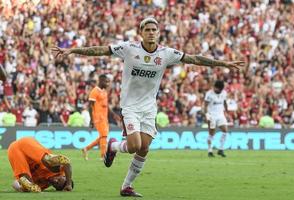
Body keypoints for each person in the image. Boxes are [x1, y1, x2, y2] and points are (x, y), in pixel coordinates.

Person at [52, 17, 244, 197]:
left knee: (144, 148)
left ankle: (126, 186)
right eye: (148, 30)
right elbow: (100, 50)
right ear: (141, 32)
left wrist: (223, 63)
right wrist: (73, 51)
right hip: (129, 107)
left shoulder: (166, 53)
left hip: (149, 109)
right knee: (134, 145)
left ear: (158, 32)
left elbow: (194, 59)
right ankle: (113, 146)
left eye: (154, 30)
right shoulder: (128, 48)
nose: (151, 32)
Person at [7, 137, 73, 192]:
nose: (55, 181)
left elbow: (14, 183)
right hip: (27, 144)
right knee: (50, 164)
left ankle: (26, 185)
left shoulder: (42, 185)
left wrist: (20, 188)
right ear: (63, 176)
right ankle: (49, 158)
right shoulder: (59, 170)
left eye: (56, 184)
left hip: (13, 150)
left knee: (27, 181)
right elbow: (67, 163)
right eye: (59, 179)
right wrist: (68, 184)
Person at [82, 74, 120, 160]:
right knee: (104, 136)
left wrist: (114, 115)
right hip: (98, 117)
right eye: (106, 82)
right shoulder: (94, 91)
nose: (107, 84)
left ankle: (86, 148)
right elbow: (90, 107)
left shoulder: (104, 92)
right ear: (101, 81)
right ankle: (103, 156)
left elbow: (106, 106)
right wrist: (91, 119)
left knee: (103, 136)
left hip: (104, 117)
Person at [203, 80, 229, 157]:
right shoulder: (209, 94)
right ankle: (210, 150)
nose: (215, 89)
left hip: (220, 115)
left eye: (217, 88)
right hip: (212, 115)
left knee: (225, 130)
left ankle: (220, 149)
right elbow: (205, 105)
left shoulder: (224, 93)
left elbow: (224, 102)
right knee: (212, 133)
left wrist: (226, 112)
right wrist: (207, 115)